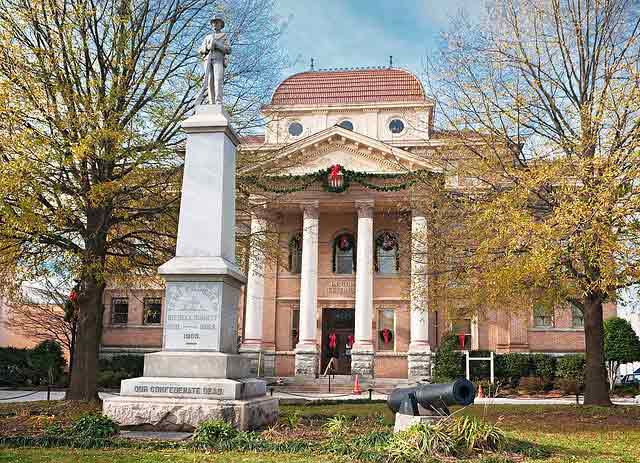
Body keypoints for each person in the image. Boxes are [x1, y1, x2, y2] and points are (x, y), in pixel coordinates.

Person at [195, 14, 231, 106]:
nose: (215, 24)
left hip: (219, 59)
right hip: (208, 59)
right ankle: (212, 102)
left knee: (218, 80)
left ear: (221, 24)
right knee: (209, 81)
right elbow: (200, 50)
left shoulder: (224, 36)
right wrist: (207, 47)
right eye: (213, 22)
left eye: (217, 22)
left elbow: (228, 49)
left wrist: (217, 45)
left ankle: (218, 102)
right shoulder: (208, 37)